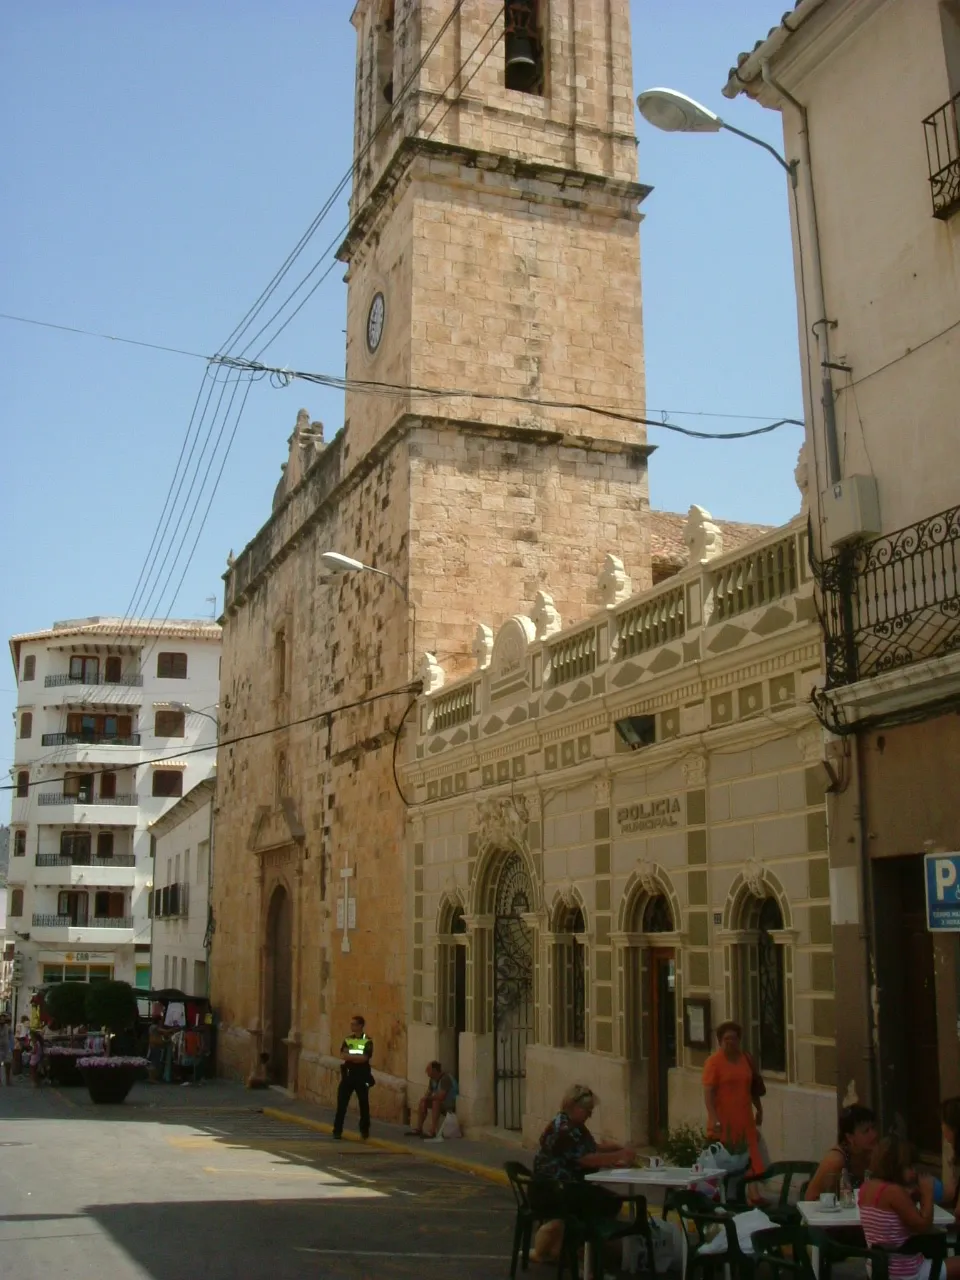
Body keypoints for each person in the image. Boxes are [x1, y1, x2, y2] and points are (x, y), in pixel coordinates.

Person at [530, 1084, 636, 1264]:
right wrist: (617, 1156)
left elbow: (592, 1148)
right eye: (588, 1111)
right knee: (605, 1202)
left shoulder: (575, 1125)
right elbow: (585, 1159)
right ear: (576, 1108)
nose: (590, 1115)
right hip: (553, 1189)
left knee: (607, 1200)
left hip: (566, 1185)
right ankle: (583, 1249)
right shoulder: (564, 1129)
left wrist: (617, 1148)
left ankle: (578, 1248)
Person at [859, 1135, 960, 1280]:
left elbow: (893, 1219)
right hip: (906, 1271)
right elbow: (924, 1226)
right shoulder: (894, 1192)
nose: (914, 1172)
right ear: (895, 1165)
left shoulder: (867, 1187)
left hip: (877, 1267)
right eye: (909, 1167)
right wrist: (927, 1194)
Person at [702, 1020, 764, 1177]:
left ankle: (752, 1192)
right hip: (724, 1120)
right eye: (726, 1039)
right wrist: (714, 1118)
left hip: (745, 1117)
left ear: (739, 1040)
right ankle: (732, 1193)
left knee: (749, 1155)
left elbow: (753, 1087)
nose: (730, 1042)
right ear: (720, 1041)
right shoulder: (713, 1062)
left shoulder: (746, 1059)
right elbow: (708, 1094)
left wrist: (759, 1109)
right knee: (728, 1159)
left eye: (734, 1038)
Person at [805, 1104, 879, 1200]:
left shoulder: (874, 1153)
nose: (874, 1134)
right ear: (849, 1137)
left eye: (873, 1128)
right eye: (866, 1131)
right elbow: (810, 1198)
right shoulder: (835, 1160)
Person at [332, 1015, 373, 1141]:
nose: (352, 1026)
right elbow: (343, 1055)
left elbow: (365, 1058)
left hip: (361, 1075)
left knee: (364, 1103)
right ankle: (337, 1131)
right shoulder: (348, 1039)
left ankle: (364, 1131)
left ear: (360, 1026)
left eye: (354, 1024)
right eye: (351, 1024)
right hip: (348, 1075)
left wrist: (351, 1057)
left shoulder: (367, 1041)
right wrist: (355, 1058)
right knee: (341, 1104)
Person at [407, 1061, 458, 1139]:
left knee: (435, 1102)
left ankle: (433, 1131)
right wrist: (424, 1101)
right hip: (441, 1102)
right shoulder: (432, 1080)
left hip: (450, 1102)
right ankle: (419, 1128)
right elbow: (429, 1093)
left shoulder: (445, 1079)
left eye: (428, 1070)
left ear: (434, 1070)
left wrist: (427, 1098)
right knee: (422, 1101)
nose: (426, 1072)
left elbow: (441, 1096)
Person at [0, 1016, 13, 1085]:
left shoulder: (8, 1027)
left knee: (8, 1063)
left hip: (7, 1048)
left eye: (3, 1020)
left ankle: (8, 1080)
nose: (2, 1021)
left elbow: (11, 1036)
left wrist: (12, 1046)